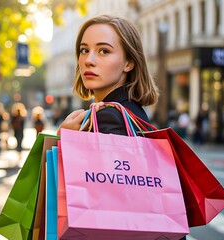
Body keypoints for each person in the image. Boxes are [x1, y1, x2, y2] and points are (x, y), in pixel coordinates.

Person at [56, 14, 187, 240]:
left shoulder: (110, 117)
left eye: (104, 51)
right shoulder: (132, 112)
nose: (89, 60)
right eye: (84, 50)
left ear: (129, 62)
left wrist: (63, 141)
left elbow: (93, 206)